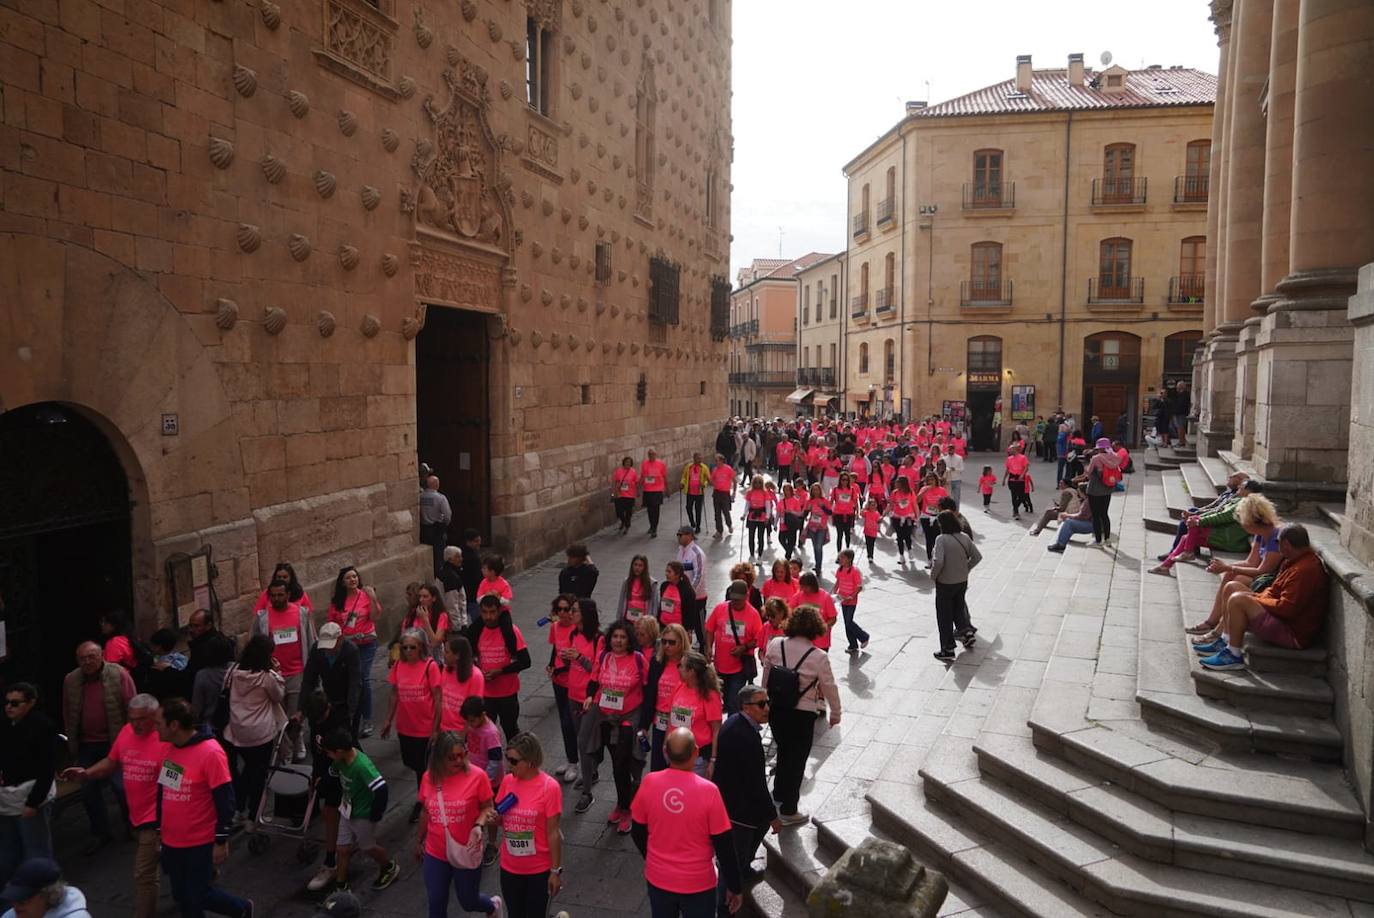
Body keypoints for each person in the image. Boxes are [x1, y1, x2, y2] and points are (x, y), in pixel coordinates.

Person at [59, 692, 162, 918]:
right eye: (131, 718)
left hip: (157, 821)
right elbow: (111, 762)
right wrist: (86, 773)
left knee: (144, 875)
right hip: (139, 815)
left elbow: (177, 785)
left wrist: (166, 820)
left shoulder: (166, 741)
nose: (135, 724)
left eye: (141, 719)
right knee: (173, 867)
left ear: (155, 717)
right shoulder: (126, 733)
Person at [154, 697, 251, 918]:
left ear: (174, 726)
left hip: (199, 842)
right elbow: (166, 790)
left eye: (159, 723)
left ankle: (241, 909)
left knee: (196, 896)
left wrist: (220, 840)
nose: (155, 728)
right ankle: (241, 909)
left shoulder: (210, 753)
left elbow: (225, 800)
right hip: (173, 841)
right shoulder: (170, 749)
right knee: (181, 895)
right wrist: (160, 829)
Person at [630, 728, 742, 918]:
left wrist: (653, 858)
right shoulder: (709, 791)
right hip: (698, 883)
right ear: (696, 752)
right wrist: (734, 886)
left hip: (659, 878)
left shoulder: (649, 783)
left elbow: (637, 830)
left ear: (665, 752)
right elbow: (724, 845)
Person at [1197, 524, 1329, 671]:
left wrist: (1255, 599)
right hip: (1280, 617)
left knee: (1238, 599)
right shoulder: (1294, 561)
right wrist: (1257, 596)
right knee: (1232, 587)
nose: (1277, 547)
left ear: (1286, 545)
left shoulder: (1305, 570)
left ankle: (1233, 655)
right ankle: (1226, 640)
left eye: (1278, 543)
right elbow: (1274, 591)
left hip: (1292, 633)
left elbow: (1286, 608)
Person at [762, 607, 840, 826]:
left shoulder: (775, 644)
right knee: (796, 760)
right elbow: (830, 687)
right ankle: (789, 809)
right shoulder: (819, 657)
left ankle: (778, 793)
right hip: (802, 714)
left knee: (784, 750)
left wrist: (765, 701)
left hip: (777, 709)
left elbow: (766, 678)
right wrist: (836, 712)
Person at [414, 730, 501, 918]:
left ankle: (492, 906)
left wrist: (478, 825)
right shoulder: (429, 778)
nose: (458, 761)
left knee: (469, 902)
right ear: (439, 758)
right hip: (436, 852)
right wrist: (419, 840)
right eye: (452, 757)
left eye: (463, 755)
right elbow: (425, 811)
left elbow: (488, 807)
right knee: (436, 904)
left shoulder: (478, 777)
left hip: (466, 850)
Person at [63, 640, 135, 852]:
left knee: (120, 786)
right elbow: (68, 712)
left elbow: (131, 706)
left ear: (102, 655)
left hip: (115, 742)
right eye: (82, 658)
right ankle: (100, 832)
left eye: (91, 657)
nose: (87, 662)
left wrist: (132, 740)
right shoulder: (71, 680)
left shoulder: (119, 674)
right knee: (87, 789)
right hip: (87, 743)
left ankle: (132, 824)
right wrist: (72, 743)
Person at [712, 685, 779, 910]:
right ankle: (727, 904)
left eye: (767, 702)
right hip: (738, 810)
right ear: (746, 707)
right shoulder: (744, 736)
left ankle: (744, 869)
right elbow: (756, 782)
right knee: (733, 861)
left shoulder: (736, 724)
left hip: (738, 802)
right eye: (761, 704)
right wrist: (773, 816)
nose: (766, 708)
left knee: (754, 834)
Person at [1185, 495, 1283, 641]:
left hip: (1270, 583)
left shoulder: (1275, 536)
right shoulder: (1261, 532)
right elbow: (1251, 562)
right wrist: (1226, 568)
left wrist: (1228, 567)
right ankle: (1213, 623)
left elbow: (1263, 570)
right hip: (1262, 577)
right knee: (1230, 576)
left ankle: (1217, 630)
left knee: (1233, 580)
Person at [586, 620, 649, 834]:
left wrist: (645, 724)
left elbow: (648, 689)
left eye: (623, 637)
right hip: (606, 717)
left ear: (629, 640)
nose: (618, 641)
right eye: (615, 637)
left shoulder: (638, 660)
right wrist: (588, 697)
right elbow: (594, 681)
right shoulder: (604, 657)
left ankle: (627, 809)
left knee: (623, 762)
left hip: (629, 718)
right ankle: (623, 804)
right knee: (616, 765)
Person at [320, 730, 398, 893]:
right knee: (342, 848)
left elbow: (381, 789)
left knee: (367, 846)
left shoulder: (362, 766)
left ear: (339, 751)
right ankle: (341, 886)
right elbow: (332, 773)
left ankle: (388, 866)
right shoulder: (340, 761)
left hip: (363, 814)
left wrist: (375, 814)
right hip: (347, 810)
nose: (328, 756)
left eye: (329, 752)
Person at [495, 733, 564, 918]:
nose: (509, 765)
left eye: (514, 761)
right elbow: (500, 819)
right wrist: (491, 818)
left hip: (538, 870)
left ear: (531, 761)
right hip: (509, 867)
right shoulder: (508, 782)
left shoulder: (549, 788)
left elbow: (553, 833)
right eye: (507, 758)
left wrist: (555, 871)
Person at [0, 684, 56, 902]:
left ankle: (47, 898)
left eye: (15, 703)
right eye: (7, 702)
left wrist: (33, 802)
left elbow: (46, 768)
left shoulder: (43, 727)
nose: (9, 707)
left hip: (31, 797)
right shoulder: (5, 725)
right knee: (8, 855)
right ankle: (12, 901)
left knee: (37, 854)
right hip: (6, 798)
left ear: (31, 702)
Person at [223, 635, 286, 825]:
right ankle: (253, 816)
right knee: (258, 775)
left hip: (237, 730)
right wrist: (277, 672)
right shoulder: (266, 677)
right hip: (260, 733)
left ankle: (238, 808)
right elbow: (278, 696)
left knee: (247, 771)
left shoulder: (233, 671)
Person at [251, 580, 315, 761]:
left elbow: (310, 639)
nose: (277, 599)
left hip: (296, 671)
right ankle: (285, 751)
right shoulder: (263, 617)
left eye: (281, 595)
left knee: (296, 713)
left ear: (288, 595)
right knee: (279, 717)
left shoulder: (301, 613)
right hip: (273, 674)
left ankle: (298, 739)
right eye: (273, 595)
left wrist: (310, 668)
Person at [381, 630, 442, 814]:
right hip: (406, 727)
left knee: (423, 769)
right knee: (414, 765)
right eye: (404, 647)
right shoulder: (399, 665)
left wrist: (436, 729)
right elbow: (394, 692)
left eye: (412, 647)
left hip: (425, 728)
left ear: (421, 647)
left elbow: (438, 698)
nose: (408, 651)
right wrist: (387, 720)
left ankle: (424, 802)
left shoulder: (429, 666)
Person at [301, 690, 352, 893]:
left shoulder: (339, 723)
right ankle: (332, 859)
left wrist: (327, 776)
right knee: (330, 813)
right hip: (326, 773)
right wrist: (316, 775)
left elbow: (344, 755)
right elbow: (317, 751)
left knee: (340, 815)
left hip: (343, 774)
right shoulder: (317, 721)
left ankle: (336, 861)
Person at [327, 566, 381, 738]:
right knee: (349, 680)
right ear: (342, 582)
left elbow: (374, 617)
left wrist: (372, 597)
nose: (353, 580)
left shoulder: (365, 596)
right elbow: (332, 625)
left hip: (367, 643)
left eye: (355, 577)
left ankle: (367, 719)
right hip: (347, 646)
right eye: (349, 578)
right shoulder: (337, 602)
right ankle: (350, 715)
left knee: (363, 679)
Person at [467, 594, 531, 740]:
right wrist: (479, 672)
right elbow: (470, 658)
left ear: (499, 611)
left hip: (508, 693)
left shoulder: (511, 631)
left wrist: (500, 671)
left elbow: (525, 661)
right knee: (485, 732)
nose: (488, 617)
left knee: (511, 730)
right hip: (485, 694)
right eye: (484, 612)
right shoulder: (476, 632)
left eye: (492, 612)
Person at [563, 599, 604, 815]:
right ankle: (592, 772)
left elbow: (595, 671)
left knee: (583, 742)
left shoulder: (599, 639)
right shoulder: (573, 634)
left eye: (574, 610)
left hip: (591, 697)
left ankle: (587, 792)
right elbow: (574, 664)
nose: (571, 613)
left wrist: (578, 657)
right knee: (583, 738)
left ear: (585, 614)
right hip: (573, 693)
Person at [1157, 471, 1249, 561]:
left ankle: (1182, 552)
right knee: (1192, 515)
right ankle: (1184, 551)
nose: (1229, 477)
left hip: (1223, 530)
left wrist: (1198, 518)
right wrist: (1197, 513)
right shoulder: (1227, 493)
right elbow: (1212, 507)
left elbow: (1221, 514)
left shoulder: (1239, 500)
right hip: (1215, 517)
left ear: (1241, 482)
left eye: (1233, 477)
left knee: (1192, 522)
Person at [704, 582, 762, 716]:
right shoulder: (720, 608)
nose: (735, 602)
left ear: (746, 596)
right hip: (720, 665)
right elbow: (710, 629)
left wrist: (744, 647)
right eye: (733, 599)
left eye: (739, 600)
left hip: (739, 668)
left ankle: (732, 729)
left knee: (733, 703)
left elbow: (758, 639)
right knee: (721, 700)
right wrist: (708, 647)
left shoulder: (753, 615)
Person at [930, 510, 982, 661]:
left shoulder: (941, 539)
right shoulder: (964, 537)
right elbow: (977, 557)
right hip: (962, 580)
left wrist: (934, 575)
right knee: (959, 608)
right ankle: (966, 633)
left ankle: (947, 648)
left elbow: (938, 561)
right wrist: (966, 568)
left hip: (945, 582)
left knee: (944, 615)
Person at [640, 623, 690, 773]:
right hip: (659, 722)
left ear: (682, 642)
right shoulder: (657, 662)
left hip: (681, 723)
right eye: (664, 641)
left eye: (672, 642)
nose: (667, 646)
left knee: (679, 766)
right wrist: (644, 725)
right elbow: (650, 695)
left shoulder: (689, 664)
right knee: (658, 765)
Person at [669, 653, 723, 778]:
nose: (678, 669)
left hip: (697, 759)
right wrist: (667, 744)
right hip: (675, 753)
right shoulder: (679, 687)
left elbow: (716, 730)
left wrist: (713, 760)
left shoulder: (709, 695)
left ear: (691, 671)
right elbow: (670, 719)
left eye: (681, 666)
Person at [545, 595, 581, 783]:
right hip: (558, 681)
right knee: (564, 721)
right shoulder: (555, 627)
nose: (563, 613)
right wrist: (551, 665)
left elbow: (576, 659)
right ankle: (570, 760)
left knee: (572, 722)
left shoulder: (577, 631)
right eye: (559, 609)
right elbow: (555, 649)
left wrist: (560, 668)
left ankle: (577, 762)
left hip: (573, 682)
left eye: (567, 609)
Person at [0, 859, 90, 918]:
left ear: (47, 896)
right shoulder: (11, 916)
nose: (16, 905)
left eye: (22, 900)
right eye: (14, 898)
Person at [439, 635, 485, 735]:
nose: (443, 654)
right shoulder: (446, 670)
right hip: (443, 730)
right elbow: (440, 700)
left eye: (447, 651)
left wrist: (462, 738)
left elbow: (473, 711)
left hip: (461, 733)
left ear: (458, 655)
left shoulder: (476, 676)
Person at [1082, 437, 1123, 545]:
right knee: (1104, 514)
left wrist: (1086, 466)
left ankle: (1098, 540)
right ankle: (1108, 539)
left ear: (1099, 448)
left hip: (1094, 490)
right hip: (1107, 489)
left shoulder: (1096, 458)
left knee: (1096, 516)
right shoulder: (1114, 457)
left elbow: (1088, 473)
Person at [675, 527, 709, 649]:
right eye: (678, 535)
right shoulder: (680, 551)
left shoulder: (697, 553)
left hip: (697, 597)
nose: (678, 537)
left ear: (690, 536)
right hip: (683, 596)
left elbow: (699, 575)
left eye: (681, 535)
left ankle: (704, 647)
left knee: (699, 625)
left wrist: (690, 593)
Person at [789, 573, 837, 653]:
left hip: (820, 642)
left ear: (812, 585)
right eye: (802, 586)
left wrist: (823, 627)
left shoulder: (825, 597)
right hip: (803, 640)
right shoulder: (799, 595)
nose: (803, 589)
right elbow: (790, 609)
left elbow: (833, 618)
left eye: (805, 587)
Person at [833, 549, 869, 654]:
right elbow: (837, 582)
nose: (840, 559)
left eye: (843, 557)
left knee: (849, 622)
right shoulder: (839, 570)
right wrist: (835, 593)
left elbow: (859, 587)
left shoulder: (855, 571)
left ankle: (864, 637)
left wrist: (852, 597)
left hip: (851, 602)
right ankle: (852, 644)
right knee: (847, 623)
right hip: (843, 600)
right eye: (840, 557)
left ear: (849, 559)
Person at [420, 475, 454, 577]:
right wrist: (444, 525)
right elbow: (447, 515)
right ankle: (439, 576)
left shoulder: (421, 497)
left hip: (424, 529)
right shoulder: (440, 498)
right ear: (436, 485)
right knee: (439, 555)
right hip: (437, 529)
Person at [615, 556, 660, 623]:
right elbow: (621, 601)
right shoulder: (627, 581)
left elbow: (654, 605)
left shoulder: (652, 583)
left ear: (645, 567)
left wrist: (652, 621)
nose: (637, 568)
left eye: (640, 565)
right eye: (635, 565)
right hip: (628, 621)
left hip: (643, 622)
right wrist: (619, 619)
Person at [438, 547, 469, 632]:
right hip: (455, 624)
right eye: (458, 557)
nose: (461, 559)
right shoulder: (451, 577)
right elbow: (452, 603)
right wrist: (457, 626)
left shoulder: (445, 572)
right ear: (450, 559)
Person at [680, 453, 711, 535]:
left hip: (699, 492)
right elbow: (684, 476)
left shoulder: (704, 468)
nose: (700, 460)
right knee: (688, 507)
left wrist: (704, 484)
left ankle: (698, 526)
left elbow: (708, 479)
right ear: (694, 458)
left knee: (698, 510)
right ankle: (692, 521)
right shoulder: (688, 467)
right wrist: (682, 483)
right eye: (698, 458)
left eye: (701, 458)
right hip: (690, 491)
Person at [889, 477, 917, 564]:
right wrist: (884, 515)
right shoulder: (894, 493)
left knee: (907, 535)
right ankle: (901, 556)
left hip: (908, 517)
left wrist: (917, 516)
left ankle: (910, 550)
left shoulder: (911, 492)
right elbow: (891, 505)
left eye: (897, 482)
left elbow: (914, 504)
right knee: (899, 536)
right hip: (897, 517)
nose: (896, 484)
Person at [641, 449, 669, 538]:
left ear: (655, 455)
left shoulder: (661, 464)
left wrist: (667, 489)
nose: (651, 456)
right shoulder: (644, 464)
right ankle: (651, 526)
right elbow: (642, 476)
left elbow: (664, 476)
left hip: (657, 490)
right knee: (649, 509)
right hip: (647, 489)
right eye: (649, 454)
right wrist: (638, 487)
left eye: (653, 454)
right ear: (648, 455)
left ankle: (654, 528)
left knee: (656, 509)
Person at [741, 476, 770, 561]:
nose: (757, 484)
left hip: (762, 516)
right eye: (756, 482)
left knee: (760, 537)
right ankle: (752, 555)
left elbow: (768, 505)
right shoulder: (750, 492)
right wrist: (744, 514)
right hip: (752, 516)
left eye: (759, 482)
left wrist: (767, 517)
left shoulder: (765, 493)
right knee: (751, 536)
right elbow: (747, 505)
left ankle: (760, 556)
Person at [459, 529, 484, 626]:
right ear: (469, 542)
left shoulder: (464, 553)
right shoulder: (472, 557)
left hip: (466, 591)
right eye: (476, 541)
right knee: (478, 620)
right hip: (472, 592)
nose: (479, 544)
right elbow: (476, 576)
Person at [709, 454, 737, 539]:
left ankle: (729, 525)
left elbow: (734, 481)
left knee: (726, 511)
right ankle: (719, 530)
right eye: (715, 460)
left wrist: (734, 493)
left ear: (721, 461)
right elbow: (711, 479)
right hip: (717, 493)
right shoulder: (715, 469)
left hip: (725, 493)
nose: (716, 462)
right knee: (717, 513)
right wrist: (714, 484)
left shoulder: (728, 469)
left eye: (717, 460)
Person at [1002, 444, 1031, 520]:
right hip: (1012, 478)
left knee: (1022, 496)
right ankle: (1016, 512)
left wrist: (1022, 474)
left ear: (1015, 449)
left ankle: (1015, 508)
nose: (1009, 451)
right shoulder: (1009, 459)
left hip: (1020, 478)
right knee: (1013, 496)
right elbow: (1007, 469)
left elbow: (1026, 467)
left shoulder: (1023, 457)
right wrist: (1004, 479)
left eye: (1011, 449)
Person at [613, 456, 640, 534]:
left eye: (629, 462)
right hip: (620, 494)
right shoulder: (619, 471)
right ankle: (623, 521)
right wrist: (614, 492)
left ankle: (627, 526)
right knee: (619, 511)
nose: (627, 463)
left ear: (631, 463)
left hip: (630, 495)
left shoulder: (633, 472)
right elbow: (615, 482)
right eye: (626, 462)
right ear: (623, 462)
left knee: (628, 512)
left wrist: (637, 491)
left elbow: (636, 482)